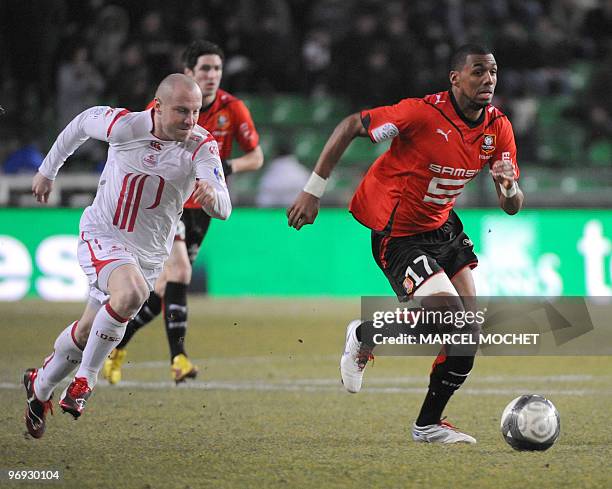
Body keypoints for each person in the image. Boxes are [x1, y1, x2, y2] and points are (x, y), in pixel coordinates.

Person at [287, 44, 524, 444]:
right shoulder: (420, 114)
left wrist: (508, 185)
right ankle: (366, 335)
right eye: (478, 72)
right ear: (455, 78)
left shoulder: (497, 127)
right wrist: (313, 191)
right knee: (451, 319)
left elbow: (512, 206)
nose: (488, 80)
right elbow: (350, 126)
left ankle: (427, 425)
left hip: (444, 228)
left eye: (493, 72)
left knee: (467, 334)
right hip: (397, 234)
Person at [24, 74, 231, 439]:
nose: (190, 120)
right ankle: (84, 382)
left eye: (196, 111)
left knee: (89, 330)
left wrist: (212, 199)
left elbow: (224, 206)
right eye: (182, 111)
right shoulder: (125, 126)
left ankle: (39, 388)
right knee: (131, 294)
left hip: (148, 256)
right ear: (158, 105)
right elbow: (80, 124)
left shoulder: (201, 146)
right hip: (103, 234)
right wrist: (47, 171)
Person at [103, 40, 263, 385]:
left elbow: (257, 156)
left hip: (202, 208)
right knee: (180, 272)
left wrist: (221, 172)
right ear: (188, 72)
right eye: (205, 68)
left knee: (164, 288)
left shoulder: (232, 109)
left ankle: (116, 345)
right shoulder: (164, 108)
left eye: (217, 69)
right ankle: (179, 359)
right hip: (168, 206)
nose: (212, 76)